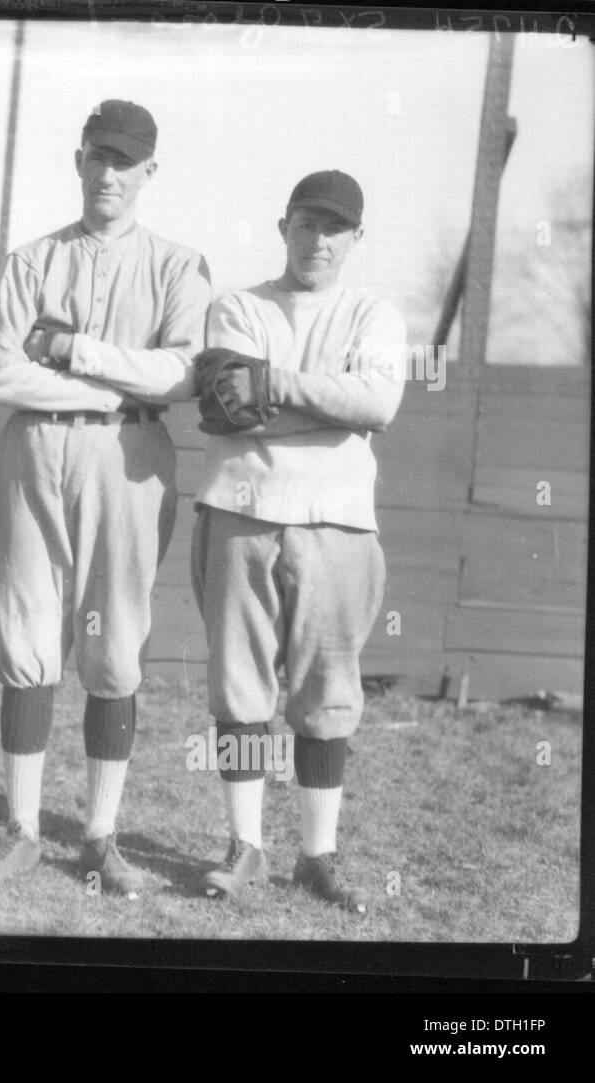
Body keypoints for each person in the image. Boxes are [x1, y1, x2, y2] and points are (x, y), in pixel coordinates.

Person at [0, 100, 210, 895]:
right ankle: (23, 829)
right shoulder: (32, 259)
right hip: (37, 447)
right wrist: (116, 375)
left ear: (149, 172)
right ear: (79, 161)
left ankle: (100, 834)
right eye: (98, 156)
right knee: (27, 632)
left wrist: (75, 350)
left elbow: (180, 374)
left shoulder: (177, 264)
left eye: (126, 161)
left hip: (129, 454)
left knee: (114, 644)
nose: (110, 172)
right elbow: (1, 375)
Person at [191, 169, 406, 913]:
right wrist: (329, 404)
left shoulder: (373, 311)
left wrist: (275, 385)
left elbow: (377, 402)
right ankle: (245, 842)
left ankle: (318, 855)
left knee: (325, 693)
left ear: (355, 238)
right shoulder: (238, 305)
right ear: (283, 224)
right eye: (307, 223)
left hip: (338, 523)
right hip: (241, 510)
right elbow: (229, 407)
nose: (319, 239)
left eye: (335, 227)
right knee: (239, 685)